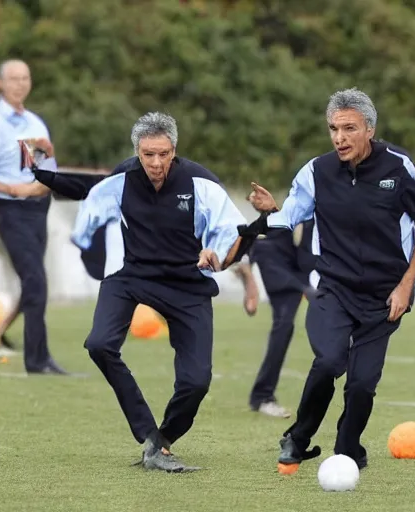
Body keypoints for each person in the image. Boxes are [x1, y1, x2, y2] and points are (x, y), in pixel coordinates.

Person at [248, 87, 415, 474]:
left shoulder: (400, 169)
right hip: (332, 288)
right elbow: (292, 216)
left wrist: (404, 286)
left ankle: (349, 447)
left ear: (370, 128)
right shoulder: (316, 171)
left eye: (349, 128)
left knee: (363, 383)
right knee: (330, 359)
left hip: (385, 297)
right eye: (333, 128)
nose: (339, 137)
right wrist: (270, 212)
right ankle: (297, 438)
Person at [70, 112, 264, 472]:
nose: (156, 162)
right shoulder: (120, 180)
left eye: (163, 154)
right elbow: (86, 200)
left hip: (186, 284)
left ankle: (161, 442)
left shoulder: (201, 183)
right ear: (137, 152)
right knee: (99, 344)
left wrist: (216, 254)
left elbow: (232, 231)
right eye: (148, 155)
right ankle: (146, 434)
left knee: (196, 381)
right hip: (132, 276)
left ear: (174, 150)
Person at [0, 58, 67, 375]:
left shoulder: (35, 122)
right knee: (36, 281)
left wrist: (50, 164)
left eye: (25, 78)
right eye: (14, 78)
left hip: (38, 209)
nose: (20, 84)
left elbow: (44, 164)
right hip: (12, 210)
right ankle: (38, 360)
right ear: (0, 83)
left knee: (33, 284)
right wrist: (11, 188)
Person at [240, 218, 319, 419]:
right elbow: (253, 240)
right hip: (282, 268)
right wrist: (250, 284)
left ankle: (262, 395)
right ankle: (262, 395)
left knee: (285, 327)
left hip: (300, 266)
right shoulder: (287, 215)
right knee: (283, 327)